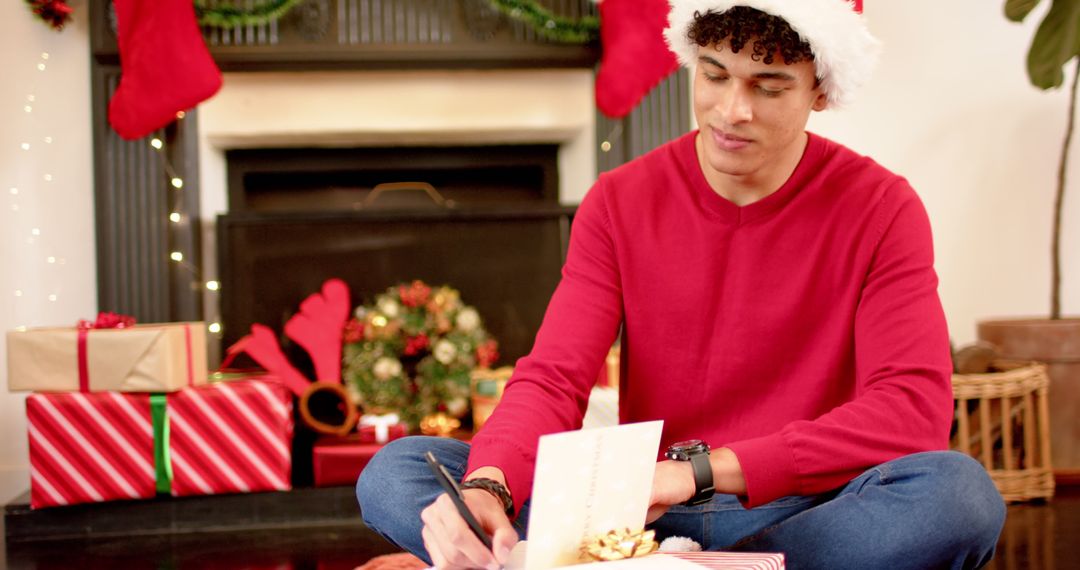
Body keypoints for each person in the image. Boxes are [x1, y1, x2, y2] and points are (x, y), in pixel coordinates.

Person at [357, 1, 1006, 568]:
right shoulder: (619, 200)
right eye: (716, 75)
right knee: (397, 471)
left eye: (769, 86)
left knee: (958, 496)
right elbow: (553, 377)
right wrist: (490, 489)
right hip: (631, 521)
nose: (732, 110)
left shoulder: (882, 208)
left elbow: (910, 412)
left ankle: (682, 569)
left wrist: (695, 474)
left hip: (801, 511)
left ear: (821, 91)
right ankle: (681, 568)